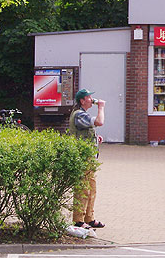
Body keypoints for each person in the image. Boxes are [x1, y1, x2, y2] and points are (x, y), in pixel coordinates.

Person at [68, 88, 105, 229]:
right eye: (89, 98)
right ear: (82, 101)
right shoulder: (78, 115)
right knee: (82, 189)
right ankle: (78, 220)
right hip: (82, 158)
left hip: (89, 158)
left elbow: (85, 132)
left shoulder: (83, 114)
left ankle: (89, 218)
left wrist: (96, 139)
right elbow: (99, 122)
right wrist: (101, 107)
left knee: (91, 189)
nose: (92, 100)